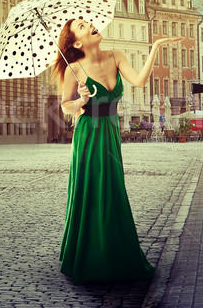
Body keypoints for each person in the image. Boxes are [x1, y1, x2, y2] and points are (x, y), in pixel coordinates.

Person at [52, 18, 180, 284]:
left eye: (88, 22)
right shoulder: (73, 68)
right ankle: (90, 257)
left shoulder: (116, 56)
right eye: (82, 27)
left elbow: (140, 81)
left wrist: (154, 47)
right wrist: (82, 99)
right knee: (93, 189)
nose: (89, 25)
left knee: (112, 188)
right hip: (88, 134)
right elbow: (65, 107)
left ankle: (115, 253)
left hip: (110, 133)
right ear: (77, 42)